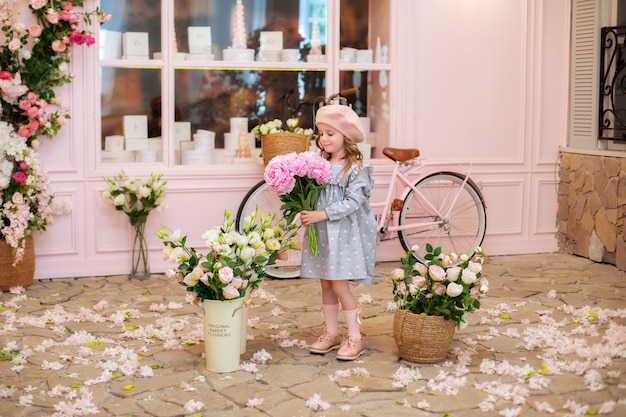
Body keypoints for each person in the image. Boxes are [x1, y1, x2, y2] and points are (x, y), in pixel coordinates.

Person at [299, 104, 377, 361]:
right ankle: (331, 332)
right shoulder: (318, 164)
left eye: (330, 133)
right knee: (325, 282)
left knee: (339, 284)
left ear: (346, 136)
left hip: (342, 234)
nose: (324, 139)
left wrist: (322, 214)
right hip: (323, 234)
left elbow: (353, 202)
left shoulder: (353, 169)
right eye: (321, 133)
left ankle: (354, 336)